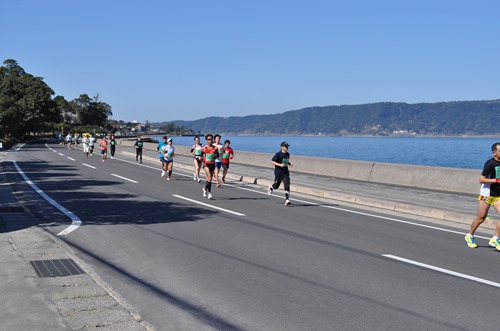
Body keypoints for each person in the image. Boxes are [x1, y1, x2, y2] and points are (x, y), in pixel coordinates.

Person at [465, 142, 500, 249]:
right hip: (487, 194)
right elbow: (481, 179)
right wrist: (496, 180)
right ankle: (470, 235)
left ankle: (495, 238)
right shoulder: (490, 164)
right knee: (481, 218)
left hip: (498, 195)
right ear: (495, 153)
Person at [267, 141, 293, 206]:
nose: (287, 147)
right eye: (285, 146)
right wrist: (279, 165)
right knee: (276, 186)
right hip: (278, 172)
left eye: (287, 146)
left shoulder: (288, 154)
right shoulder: (278, 154)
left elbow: (286, 161)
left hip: (285, 172)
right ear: (282, 147)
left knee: (287, 184)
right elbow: (273, 161)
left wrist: (289, 164)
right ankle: (271, 187)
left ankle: (287, 200)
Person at [201, 134, 219, 199]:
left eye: (211, 139)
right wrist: (203, 161)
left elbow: (217, 155)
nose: (210, 140)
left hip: (212, 164)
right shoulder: (204, 148)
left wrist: (214, 155)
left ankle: (205, 189)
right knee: (209, 178)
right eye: (209, 139)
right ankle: (209, 193)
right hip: (206, 165)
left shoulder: (215, 148)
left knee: (209, 179)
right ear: (206, 140)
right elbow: (201, 156)